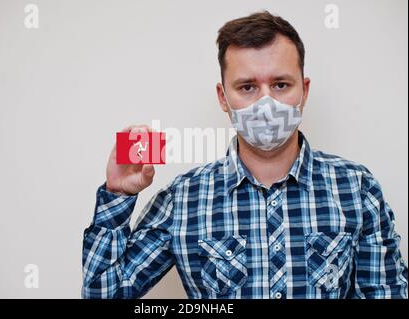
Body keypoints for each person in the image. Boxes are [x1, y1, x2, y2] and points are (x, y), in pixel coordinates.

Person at [82, 10, 408, 299]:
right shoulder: (183, 199)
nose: (266, 103)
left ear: (304, 90)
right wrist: (118, 195)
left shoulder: (357, 188)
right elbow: (103, 294)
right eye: (247, 87)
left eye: (280, 84)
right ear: (223, 98)